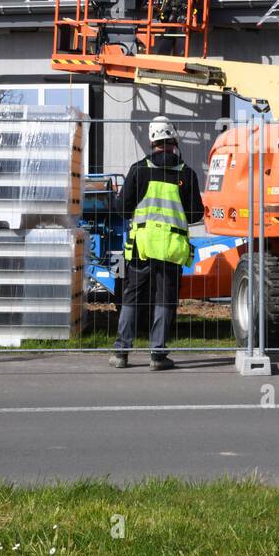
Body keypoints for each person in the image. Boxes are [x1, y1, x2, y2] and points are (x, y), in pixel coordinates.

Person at [109, 116, 204, 371]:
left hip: (142, 246)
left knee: (131, 298)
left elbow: (121, 207)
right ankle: (158, 355)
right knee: (165, 301)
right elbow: (196, 215)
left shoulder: (139, 169)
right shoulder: (186, 174)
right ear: (173, 140)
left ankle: (121, 353)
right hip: (171, 249)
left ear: (152, 141)